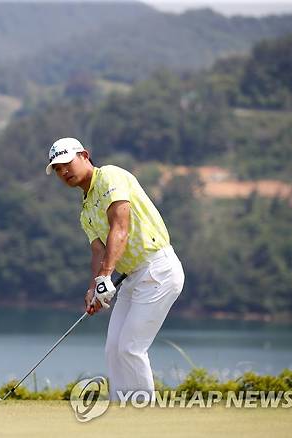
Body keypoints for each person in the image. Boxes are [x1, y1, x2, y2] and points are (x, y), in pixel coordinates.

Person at [45, 137, 184, 401]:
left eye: (66, 163)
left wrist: (105, 277)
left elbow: (121, 228)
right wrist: (93, 288)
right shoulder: (85, 210)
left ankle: (144, 416)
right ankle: (122, 414)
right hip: (133, 277)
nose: (63, 172)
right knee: (113, 349)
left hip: (158, 270)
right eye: (57, 169)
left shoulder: (110, 176)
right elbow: (98, 250)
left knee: (130, 348)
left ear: (84, 155)